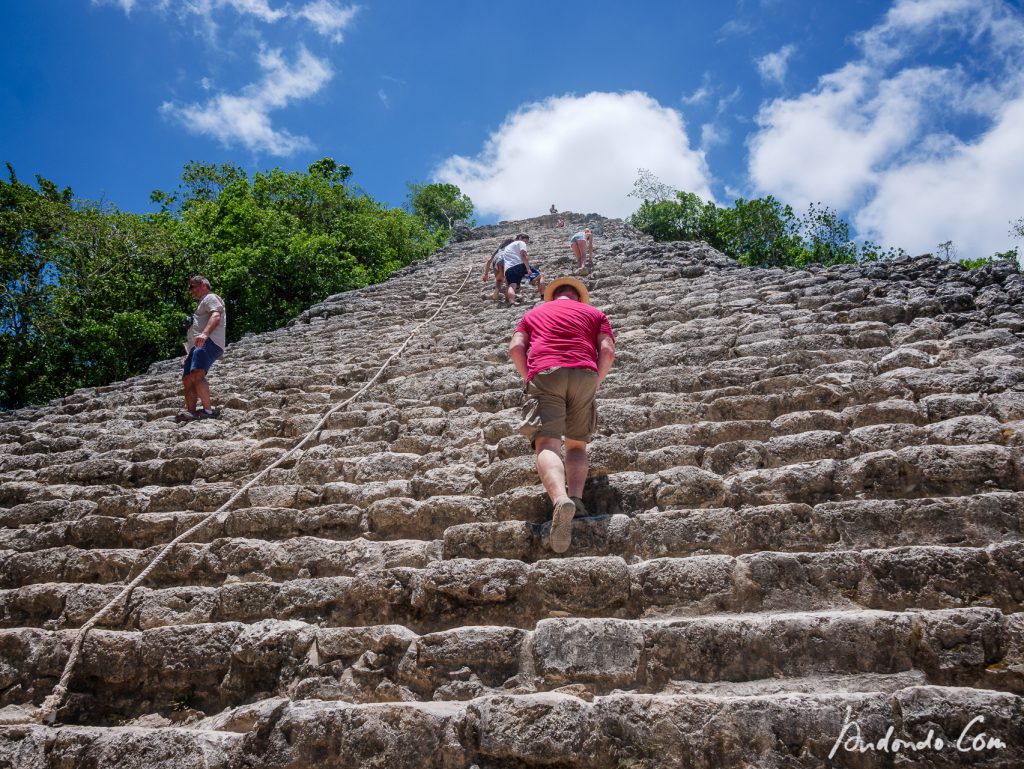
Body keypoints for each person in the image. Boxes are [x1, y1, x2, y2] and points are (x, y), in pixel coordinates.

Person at [508, 276, 615, 553]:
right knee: (577, 444)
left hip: (545, 372)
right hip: (585, 374)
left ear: (554, 296)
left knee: (547, 443)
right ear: (577, 297)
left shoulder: (532, 314)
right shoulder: (595, 313)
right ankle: (576, 499)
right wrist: (596, 381)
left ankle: (559, 501)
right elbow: (607, 350)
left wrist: (529, 377)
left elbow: (515, 348)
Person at [175, 275, 226, 422]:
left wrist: (205, 334)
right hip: (197, 346)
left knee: (197, 373)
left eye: (192, 286)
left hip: (209, 341)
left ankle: (208, 411)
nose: (190, 291)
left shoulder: (210, 298)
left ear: (203, 285)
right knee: (187, 378)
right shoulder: (201, 304)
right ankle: (191, 412)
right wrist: (188, 352)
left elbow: (215, 316)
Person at [497, 233, 536, 305]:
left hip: (508, 269)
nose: (525, 243)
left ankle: (512, 302)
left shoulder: (507, 247)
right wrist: (528, 268)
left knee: (512, 286)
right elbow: (523, 255)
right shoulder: (521, 242)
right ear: (521, 238)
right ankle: (543, 295)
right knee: (538, 277)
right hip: (518, 264)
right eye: (526, 241)